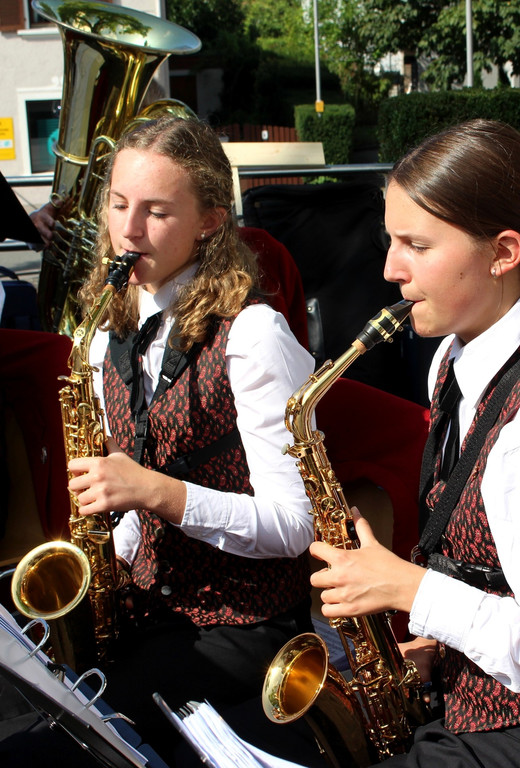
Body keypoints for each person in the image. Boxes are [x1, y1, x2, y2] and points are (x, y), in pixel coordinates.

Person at [311, 119, 520, 768]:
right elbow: (508, 584)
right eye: (390, 240)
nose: (390, 269)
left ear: (503, 253)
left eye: (416, 244)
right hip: (473, 718)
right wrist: (443, 645)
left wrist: (412, 591)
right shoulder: (451, 364)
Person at [62, 114, 318, 764]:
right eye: (118, 204)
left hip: (244, 624)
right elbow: (123, 515)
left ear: (209, 220)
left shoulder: (255, 336)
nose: (128, 229)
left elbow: (295, 525)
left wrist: (160, 493)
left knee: (92, 728)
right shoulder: (101, 335)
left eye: (155, 211)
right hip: (150, 607)